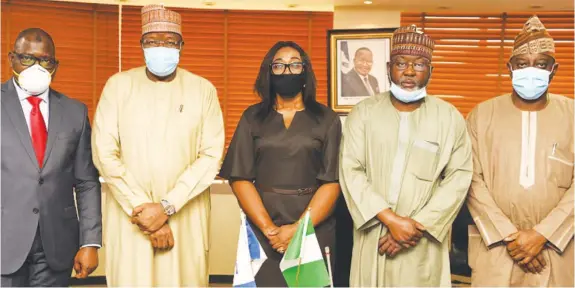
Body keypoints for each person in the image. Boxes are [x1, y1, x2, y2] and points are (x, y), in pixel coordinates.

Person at [91, 4, 225, 287]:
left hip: (185, 217)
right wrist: (144, 210)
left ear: (181, 46)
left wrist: (167, 207)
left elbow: (210, 156)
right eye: (153, 41)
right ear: (141, 45)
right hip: (132, 218)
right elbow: (104, 154)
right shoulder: (118, 86)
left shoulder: (203, 90)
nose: (161, 48)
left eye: (169, 42)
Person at [339, 24, 473, 287]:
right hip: (374, 234)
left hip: (421, 240)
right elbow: (350, 170)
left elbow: (459, 177)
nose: (409, 71)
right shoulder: (363, 113)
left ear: (431, 71)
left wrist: (415, 226)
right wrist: (390, 219)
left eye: (419, 64)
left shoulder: (448, 117)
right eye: (401, 63)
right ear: (389, 68)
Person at [218, 41, 342, 287]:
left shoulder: (326, 119)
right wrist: (269, 229)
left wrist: (297, 230)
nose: (287, 71)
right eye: (279, 65)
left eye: (295, 65)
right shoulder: (252, 117)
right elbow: (240, 177)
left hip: (314, 226)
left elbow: (332, 180)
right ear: (269, 72)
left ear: (305, 71)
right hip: (264, 229)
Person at [466, 15, 574, 287]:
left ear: (554, 69)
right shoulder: (482, 114)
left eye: (541, 64)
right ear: (510, 67)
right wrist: (511, 237)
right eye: (522, 64)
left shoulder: (572, 115)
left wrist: (542, 235)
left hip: (558, 246)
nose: (531, 70)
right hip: (497, 246)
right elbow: (470, 179)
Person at [1, 28, 102, 287]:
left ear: (55, 65)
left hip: (57, 244)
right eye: (27, 58)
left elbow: (87, 182)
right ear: (11, 58)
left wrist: (90, 241)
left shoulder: (74, 112)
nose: (37, 66)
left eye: (45, 60)